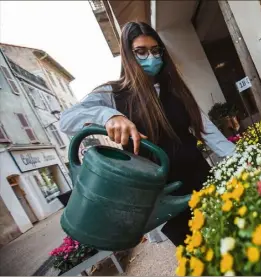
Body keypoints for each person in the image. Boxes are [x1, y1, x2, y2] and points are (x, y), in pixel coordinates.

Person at [59, 21, 236, 246]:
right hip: (163, 197)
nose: (150, 58)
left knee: (232, 241)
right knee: (201, 254)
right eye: (141, 52)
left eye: (155, 51)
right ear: (127, 55)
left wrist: (240, 160)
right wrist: (109, 116)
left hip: (201, 179)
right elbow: (66, 120)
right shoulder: (114, 94)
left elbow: (208, 131)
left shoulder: (176, 89)